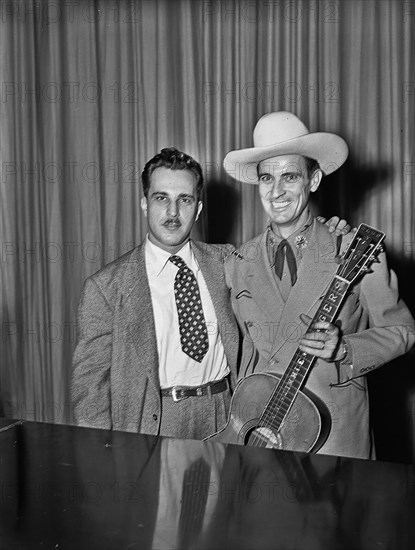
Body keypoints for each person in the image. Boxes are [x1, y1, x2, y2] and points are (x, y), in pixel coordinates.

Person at [71, 147, 345, 440]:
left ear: (198, 208)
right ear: (144, 204)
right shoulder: (106, 287)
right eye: (161, 198)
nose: (173, 212)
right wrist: (98, 452)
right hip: (155, 420)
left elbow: (283, 269)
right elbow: (91, 388)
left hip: (225, 413)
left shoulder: (228, 261)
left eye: (185, 200)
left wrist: (325, 233)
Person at [222, 111, 415, 459]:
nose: (277, 191)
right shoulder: (238, 262)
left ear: (313, 180)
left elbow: (402, 331)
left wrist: (344, 350)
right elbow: (244, 358)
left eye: (290, 176)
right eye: (267, 178)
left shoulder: (355, 248)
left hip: (336, 439)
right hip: (263, 433)